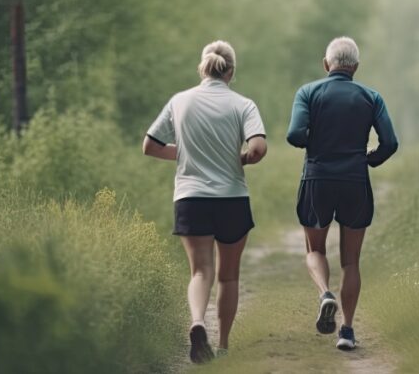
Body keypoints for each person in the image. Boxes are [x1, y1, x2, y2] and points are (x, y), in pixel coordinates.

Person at [143, 40, 268, 364]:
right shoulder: (244, 105)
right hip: (231, 198)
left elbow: (151, 146)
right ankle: (223, 346)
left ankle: (198, 322)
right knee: (228, 275)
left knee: (200, 271)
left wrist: (185, 154)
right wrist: (241, 158)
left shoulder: (179, 101)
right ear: (232, 71)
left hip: (191, 197)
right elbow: (258, 149)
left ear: (203, 67)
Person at [286, 36, 398, 351]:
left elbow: (294, 134)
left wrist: (318, 145)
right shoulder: (371, 97)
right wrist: (367, 159)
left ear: (327, 64)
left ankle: (325, 294)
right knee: (351, 261)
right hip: (355, 181)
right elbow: (390, 143)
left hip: (317, 179)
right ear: (356, 67)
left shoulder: (308, 92)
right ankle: (347, 331)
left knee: (315, 250)